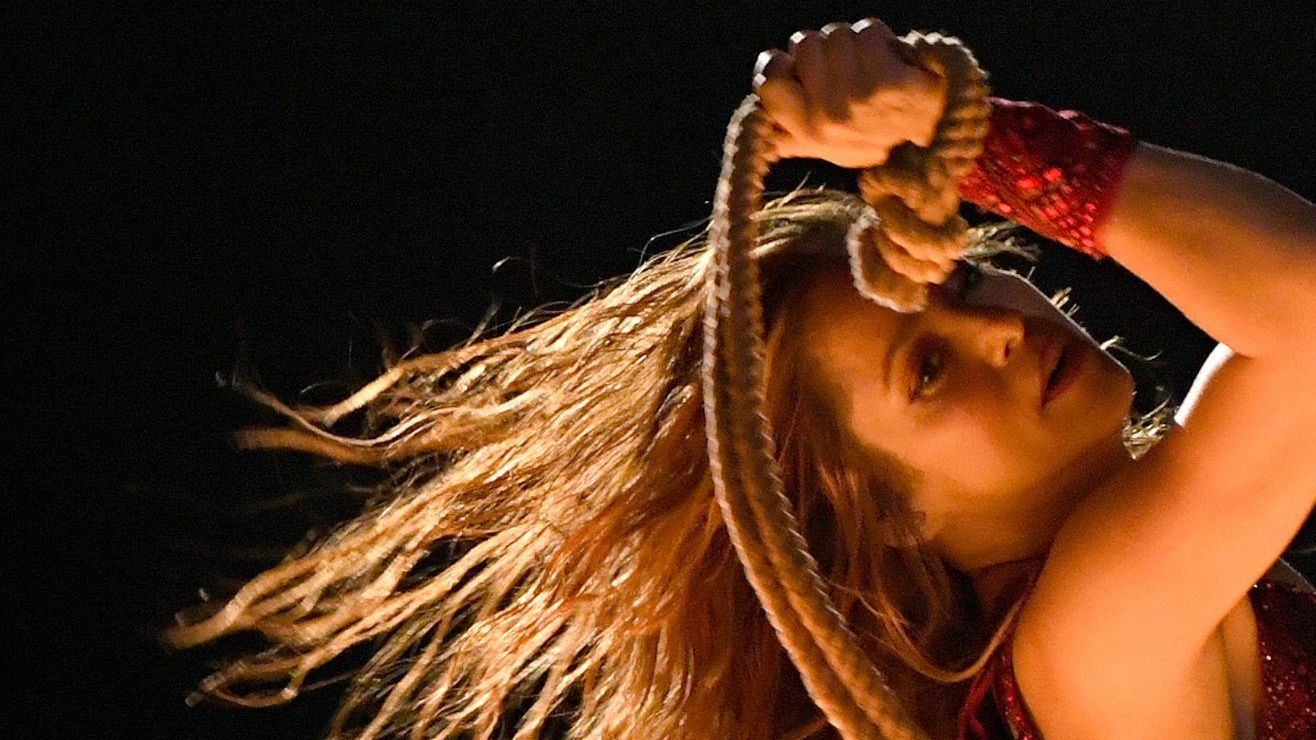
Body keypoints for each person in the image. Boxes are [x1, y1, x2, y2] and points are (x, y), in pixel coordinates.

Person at [170, 17, 1316, 740]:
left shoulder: (1116, 584)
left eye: (960, 285)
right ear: (891, 518)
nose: (998, 331)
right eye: (925, 370)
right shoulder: (1094, 625)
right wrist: (957, 133)